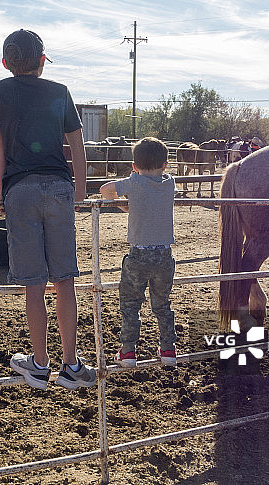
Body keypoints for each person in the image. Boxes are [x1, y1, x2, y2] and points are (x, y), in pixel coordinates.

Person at [0, 29, 96, 390]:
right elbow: (77, 146)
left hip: (20, 190)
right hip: (59, 188)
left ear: (7, 63)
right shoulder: (60, 91)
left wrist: (2, 190)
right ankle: (72, 365)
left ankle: (38, 363)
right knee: (65, 279)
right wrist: (79, 191)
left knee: (34, 283)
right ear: (42, 61)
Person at [99, 137, 178, 367]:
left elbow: (105, 190)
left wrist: (125, 206)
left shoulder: (133, 182)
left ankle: (128, 352)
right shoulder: (169, 182)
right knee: (162, 304)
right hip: (164, 254)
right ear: (165, 165)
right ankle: (168, 349)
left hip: (139, 254)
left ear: (134, 166)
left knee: (131, 304)